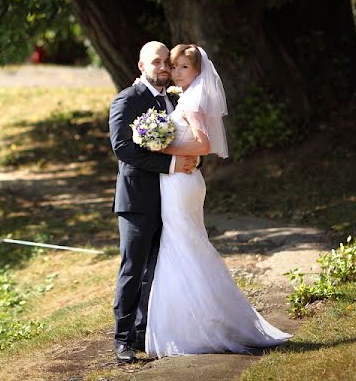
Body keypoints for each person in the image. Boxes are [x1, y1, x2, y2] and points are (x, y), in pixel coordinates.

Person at [144, 43, 291, 357]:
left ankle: (201, 326)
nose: (177, 72)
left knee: (182, 245)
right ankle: (194, 320)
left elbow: (203, 143)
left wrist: (162, 149)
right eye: (175, 66)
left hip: (181, 181)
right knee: (186, 244)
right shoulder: (186, 94)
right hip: (180, 181)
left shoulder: (194, 99)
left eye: (185, 67)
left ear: (198, 70)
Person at [108, 41, 198, 363]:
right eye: (156, 62)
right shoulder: (127, 100)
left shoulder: (173, 100)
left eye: (166, 63)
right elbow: (123, 149)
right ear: (141, 66)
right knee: (132, 269)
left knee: (157, 270)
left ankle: (146, 332)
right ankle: (122, 339)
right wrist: (171, 165)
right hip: (137, 201)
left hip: (169, 200)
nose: (163, 68)